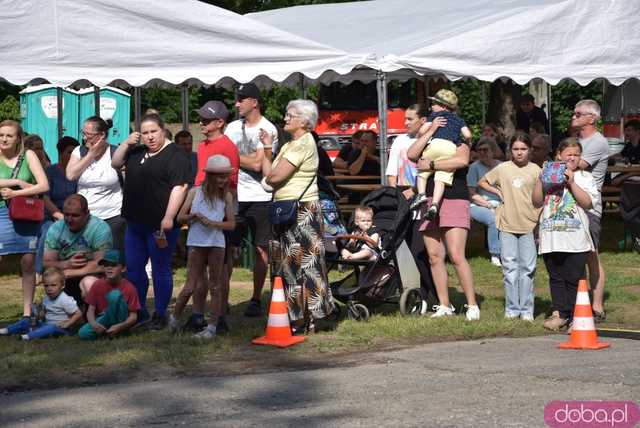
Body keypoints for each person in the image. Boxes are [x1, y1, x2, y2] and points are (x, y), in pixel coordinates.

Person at [112, 113, 190, 329]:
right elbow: (115, 162)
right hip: (135, 222)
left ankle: (161, 312)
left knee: (160, 268)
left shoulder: (176, 155)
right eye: (145, 133)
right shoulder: (136, 152)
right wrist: (126, 143)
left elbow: (180, 187)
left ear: (163, 130)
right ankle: (140, 312)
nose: (150, 137)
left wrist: (168, 216)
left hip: (160, 225)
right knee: (135, 269)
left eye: (153, 132)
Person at [263, 99, 335, 333]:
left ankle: (306, 318)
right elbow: (269, 175)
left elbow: (273, 178)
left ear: (304, 121)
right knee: (289, 266)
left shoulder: (303, 143)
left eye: (290, 115)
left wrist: (270, 178)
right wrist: (266, 149)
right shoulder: (289, 144)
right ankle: (299, 317)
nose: (285, 118)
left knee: (303, 266)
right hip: (287, 210)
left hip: (302, 211)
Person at [407, 114, 480, 321]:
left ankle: (472, 304)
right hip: (428, 199)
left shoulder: (460, 140)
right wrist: (428, 133)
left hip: (454, 197)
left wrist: (430, 165)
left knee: (456, 255)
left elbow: (461, 160)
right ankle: (444, 304)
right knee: (434, 256)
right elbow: (413, 155)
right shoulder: (428, 139)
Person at [181, 100, 239, 332]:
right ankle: (197, 315)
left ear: (220, 122)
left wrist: (219, 215)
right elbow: (199, 180)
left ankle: (220, 315)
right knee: (198, 268)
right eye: (201, 119)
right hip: (200, 209)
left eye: (206, 120)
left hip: (216, 211)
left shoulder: (228, 147)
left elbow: (231, 186)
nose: (201, 123)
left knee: (220, 269)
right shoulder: (203, 145)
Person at [532, 138, 599, 331]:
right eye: (568, 154)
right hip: (551, 236)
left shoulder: (585, 177)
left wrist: (571, 183)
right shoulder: (549, 175)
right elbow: (536, 201)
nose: (572, 157)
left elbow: (587, 203)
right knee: (556, 277)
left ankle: (577, 316)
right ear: (559, 155)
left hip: (575, 237)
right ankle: (561, 313)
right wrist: (539, 179)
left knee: (574, 277)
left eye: (576, 155)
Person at [224, 83, 278, 318]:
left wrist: (232, 156)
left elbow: (259, 165)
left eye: (241, 99)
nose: (237, 104)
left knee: (260, 249)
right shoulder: (232, 127)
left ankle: (256, 298)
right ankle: (222, 298)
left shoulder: (268, 129)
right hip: (234, 196)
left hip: (260, 196)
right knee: (227, 249)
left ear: (254, 102)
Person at [171, 155, 235, 338]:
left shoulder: (227, 196)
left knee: (215, 286)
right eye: (220, 176)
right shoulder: (195, 192)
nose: (223, 180)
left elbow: (231, 224)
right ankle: (174, 319)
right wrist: (193, 217)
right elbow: (180, 217)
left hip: (216, 243)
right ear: (210, 176)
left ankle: (212, 327)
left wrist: (213, 223)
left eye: (226, 176)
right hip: (196, 242)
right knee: (190, 285)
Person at [479, 133, 541, 320]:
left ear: (529, 150)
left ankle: (527, 309)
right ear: (510, 150)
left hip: (529, 223)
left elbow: (542, 196)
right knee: (510, 268)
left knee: (528, 269)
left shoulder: (536, 170)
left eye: (523, 149)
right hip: (506, 223)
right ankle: (512, 309)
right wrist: (496, 191)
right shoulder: (503, 168)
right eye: (516, 149)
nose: (519, 153)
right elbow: (483, 181)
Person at [385, 103, 436, 304]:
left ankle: (430, 292)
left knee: (419, 251)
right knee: (398, 248)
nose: (405, 123)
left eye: (409, 119)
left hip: (420, 196)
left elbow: (429, 173)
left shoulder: (431, 141)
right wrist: (394, 194)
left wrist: (413, 191)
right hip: (401, 196)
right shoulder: (399, 140)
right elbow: (392, 171)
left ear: (423, 120)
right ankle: (406, 291)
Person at [0, 120, 49, 319]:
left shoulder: (28, 155)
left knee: (28, 262)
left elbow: (44, 186)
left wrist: (19, 188)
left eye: (9, 135)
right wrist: (16, 182)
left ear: (18, 138)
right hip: (2, 213)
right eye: (1, 135)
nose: (3, 139)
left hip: (26, 213)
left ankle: (27, 312)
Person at [572, 100, 609, 321]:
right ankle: (580, 302)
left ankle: (597, 306)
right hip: (571, 205)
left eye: (578, 113)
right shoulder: (577, 141)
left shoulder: (597, 142)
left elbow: (575, 165)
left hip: (589, 207)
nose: (573, 116)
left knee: (591, 255)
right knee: (574, 256)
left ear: (591, 119)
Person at [66, 116, 125, 253]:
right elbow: (70, 175)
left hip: (113, 216)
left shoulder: (115, 152)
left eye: (88, 134)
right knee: (85, 257)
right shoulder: (79, 152)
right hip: (85, 217)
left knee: (112, 259)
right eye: (83, 133)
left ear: (102, 135)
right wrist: (90, 155)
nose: (84, 138)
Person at [411, 89, 472, 220]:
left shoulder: (435, 116)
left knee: (422, 170)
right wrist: (466, 141)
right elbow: (468, 134)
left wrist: (431, 129)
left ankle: (421, 194)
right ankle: (434, 204)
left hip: (435, 144)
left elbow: (422, 131)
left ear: (443, 106)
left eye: (434, 103)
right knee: (441, 178)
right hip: (450, 147)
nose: (431, 106)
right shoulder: (459, 120)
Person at [43, 194, 112, 304]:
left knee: (89, 283)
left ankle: (96, 318)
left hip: (91, 275)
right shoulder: (55, 229)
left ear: (87, 213)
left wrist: (72, 272)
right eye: (66, 215)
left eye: (75, 215)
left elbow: (102, 264)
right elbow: (46, 263)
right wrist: (67, 263)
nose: (69, 220)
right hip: (64, 277)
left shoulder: (100, 228)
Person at [0, 267, 82, 340]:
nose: (49, 289)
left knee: (50, 328)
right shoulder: (46, 297)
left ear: (62, 285)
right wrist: (39, 314)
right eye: (46, 286)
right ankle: (7, 330)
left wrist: (68, 323)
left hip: (61, 329)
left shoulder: (64, 299)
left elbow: (78, 314)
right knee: (27, 321)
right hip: (46, 325)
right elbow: (45, 314)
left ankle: (27, 336)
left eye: (53, 285)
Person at [36, 137, 79, 274]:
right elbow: (45, 198)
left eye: (75, 153)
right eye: (69, 152)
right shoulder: (50, 172)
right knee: (49, 230)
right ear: (60, 154)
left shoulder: (80, 173)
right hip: (52, 213)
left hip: (74, 214)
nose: (73, 156)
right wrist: (59, 216)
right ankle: (39, 270)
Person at [78, 250, 140, 340]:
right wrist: (94, 324)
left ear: (123, 269)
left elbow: (133, 316)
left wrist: (120, 326)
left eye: (113, 265)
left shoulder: (130, 287)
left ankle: (117, 331)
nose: (109, 268)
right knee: (83, 333)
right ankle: (108, 333)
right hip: (104, 318)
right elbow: (90, 311)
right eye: (106, 265)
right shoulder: (97, 284)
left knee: (114, 295)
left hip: (121, 320)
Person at [467, 137, 502, 267]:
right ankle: (495, 254)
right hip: (478, 204)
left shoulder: (501, 166)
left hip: (501, 202)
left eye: (485, 150)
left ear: (493, 151)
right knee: (493, 219)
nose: (482, 153)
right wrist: (489, 206)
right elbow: (472, 194)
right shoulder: (474, 167)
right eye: (479, 150)